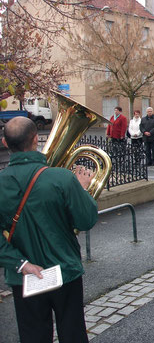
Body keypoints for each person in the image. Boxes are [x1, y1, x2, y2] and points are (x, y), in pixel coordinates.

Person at [0, 117, 97, 342]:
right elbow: (86, 221)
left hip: (23, 275)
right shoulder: (62, 177)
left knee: (33, 335)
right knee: (72, 333)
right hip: (65, 270)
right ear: (36, 140)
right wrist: (83, 189)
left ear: (5, 143)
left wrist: (20, 264)